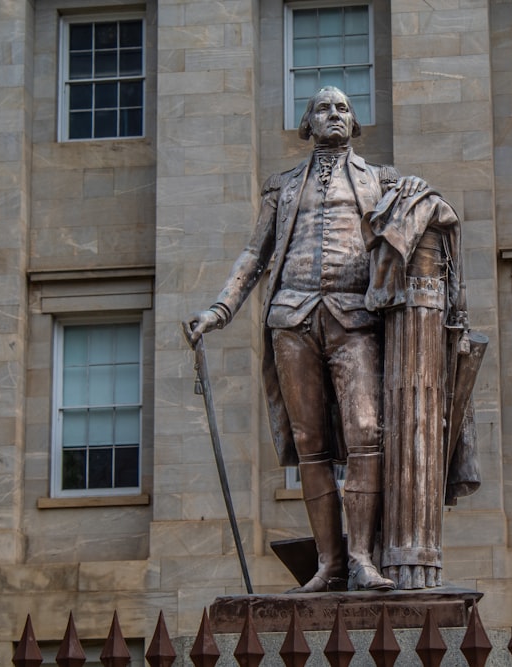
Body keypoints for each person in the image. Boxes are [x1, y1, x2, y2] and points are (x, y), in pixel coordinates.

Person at [188, 86, 479, 593]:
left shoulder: (380, 181)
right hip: (292, 318)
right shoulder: (281, 186)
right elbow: (255, 255)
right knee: (310, 445)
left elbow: (434, 213)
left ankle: (362, 557)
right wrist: (219, 310)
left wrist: (421, 194)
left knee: (367, 432)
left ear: (354, 121)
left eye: (343, 107)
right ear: (308, 124)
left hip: (354, 317)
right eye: (324, 108)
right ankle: (330, 563)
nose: (335, 114)